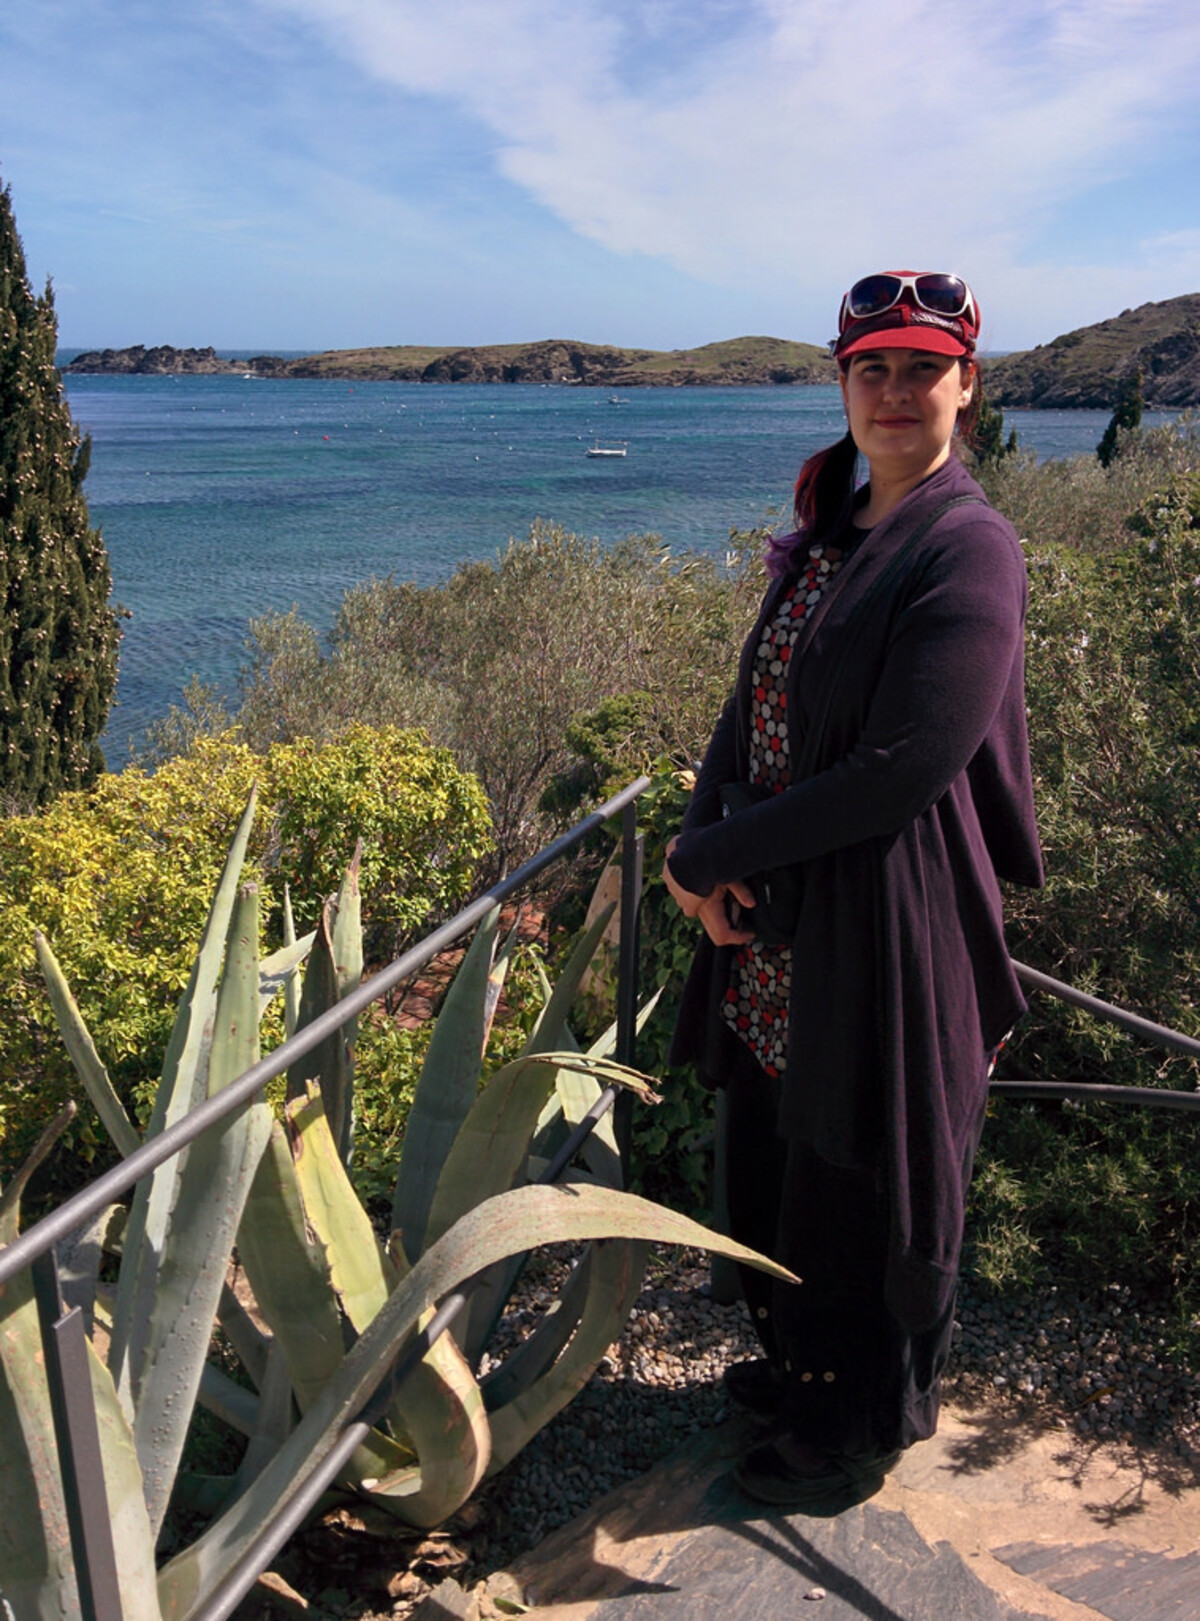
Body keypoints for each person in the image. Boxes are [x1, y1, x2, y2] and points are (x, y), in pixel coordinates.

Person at [662, 272, 1043, 1508]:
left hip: (890, 919)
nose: (893, 391)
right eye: (871, 367)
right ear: (841, 380)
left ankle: (856, 1423)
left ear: (966, 385)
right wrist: (696, 831)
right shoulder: (834, 526)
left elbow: (902, 770)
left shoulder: (968, 547)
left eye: (922, 368)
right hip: (787, 922)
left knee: (865, 1169)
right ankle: (801, 1364)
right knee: (785, 1149)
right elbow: (752, 696)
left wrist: (717, 858)